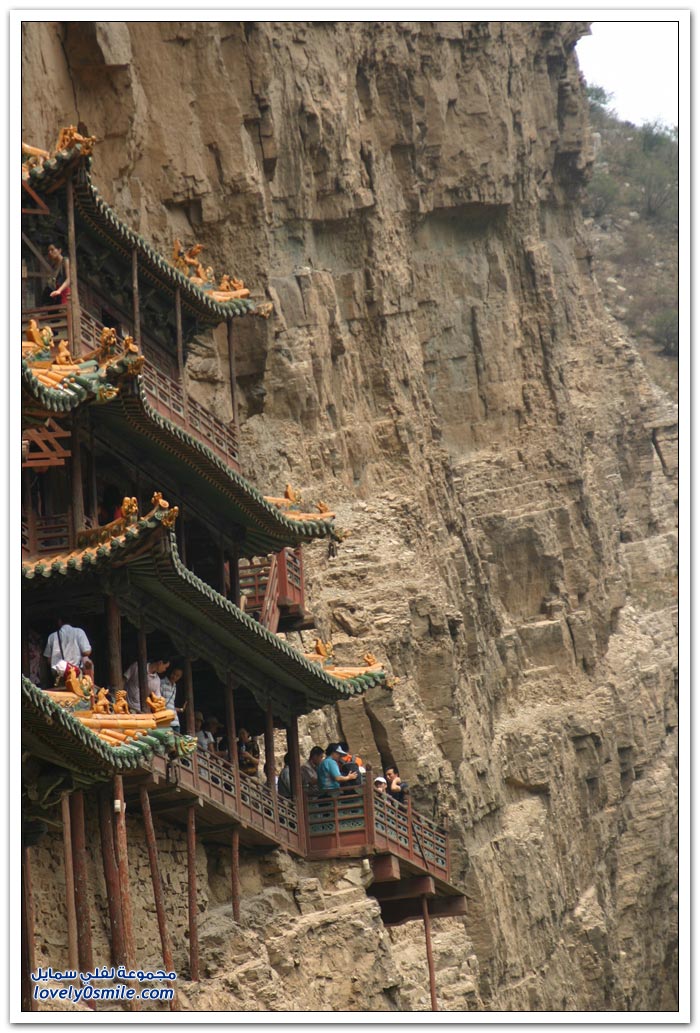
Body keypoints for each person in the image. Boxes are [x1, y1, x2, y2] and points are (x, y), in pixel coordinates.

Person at [159, 662, 184, 732]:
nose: (174, 677)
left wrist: (178, 709)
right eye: (174, 674)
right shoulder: (161, 683)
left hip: (175, 720)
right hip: (165, 718)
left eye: (177, 676)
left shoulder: (175, 686)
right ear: (170, 672)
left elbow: (171, 703)